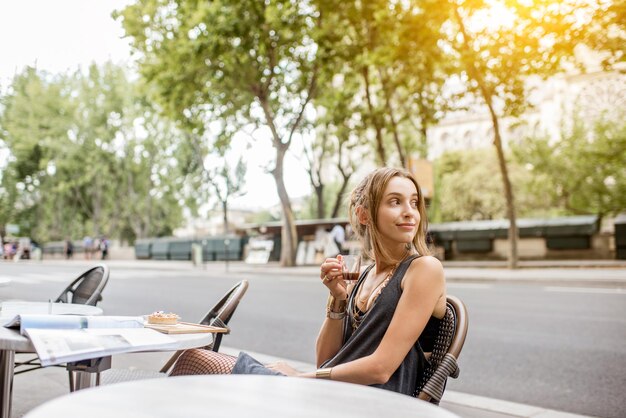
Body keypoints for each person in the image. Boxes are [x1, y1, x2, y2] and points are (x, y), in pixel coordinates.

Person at [169, 167, 446, 397]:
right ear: (364, 215)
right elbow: (326, 359)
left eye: (414, 203)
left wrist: (302, 377)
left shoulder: (424, 269)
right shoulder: (365, 275)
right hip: (332, 394)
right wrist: (338, 298)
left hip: (371, 404)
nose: (410, 212)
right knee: (193, 360)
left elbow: (381, 369)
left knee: (196, 360)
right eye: (395, 202)